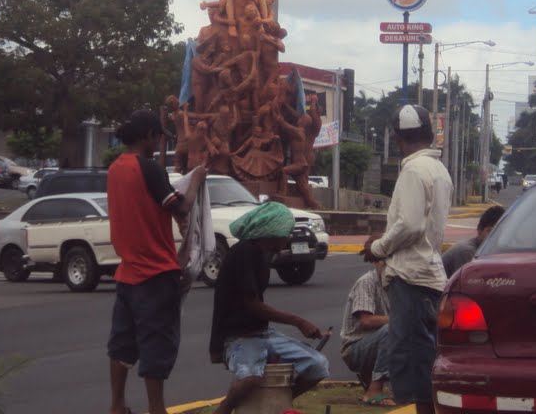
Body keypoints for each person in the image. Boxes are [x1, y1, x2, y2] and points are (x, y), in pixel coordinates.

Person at [106, 109, 207, 414]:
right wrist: (197, 179)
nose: (159, 142)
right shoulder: (148, 168)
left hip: (127, 272)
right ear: (149, 136)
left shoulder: (114, 169)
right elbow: (182, 208)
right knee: (157, 345)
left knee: (122, 344)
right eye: (159, 136)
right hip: (156, 273)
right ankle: (156, 409)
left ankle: (117, 405)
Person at [362, 104, 452, 414]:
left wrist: (378, 247)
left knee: (410, 357)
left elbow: (410, 225)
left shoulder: (414, 170)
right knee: (424, 354)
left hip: (411, 276)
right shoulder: (439, 170)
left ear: (398, 137)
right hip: (429, 272)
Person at [210, 202, 329, 414]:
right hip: (238, 336)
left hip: (261, 333)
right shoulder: (244, 252)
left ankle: (277, 403)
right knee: (251, 378)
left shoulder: (261, 255)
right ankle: (223, 410)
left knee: (317, 365)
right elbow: (252, 305)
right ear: (274, 231)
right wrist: (298, 321)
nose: (288, 237)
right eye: (286, 232)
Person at [340, 259, 393, 405]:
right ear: (376, 262)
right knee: (393, 329)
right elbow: (366, 320)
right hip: (355, 348)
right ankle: (374, 390)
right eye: (385, 260)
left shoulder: (395, 283)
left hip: (376, 342)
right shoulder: (367, 282)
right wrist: (398, 319)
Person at [442, 204, 505, 277]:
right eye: (490, 231)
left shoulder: (485, 250)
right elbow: (466, 283)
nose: (494, 237)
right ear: (479, 230)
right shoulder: (467, 252)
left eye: (498, 232)